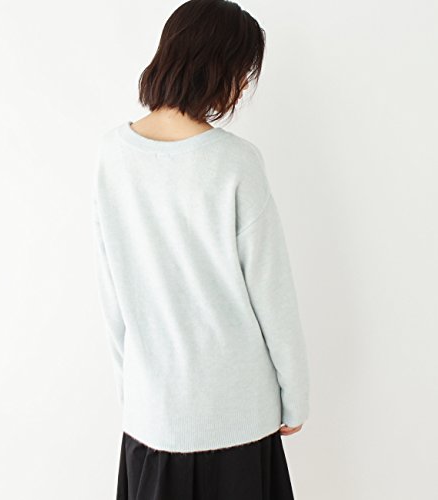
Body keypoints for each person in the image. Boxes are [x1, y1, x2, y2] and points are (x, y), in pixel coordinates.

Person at [92, 1, 310, 498]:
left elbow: (113, 298)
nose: (242, 89)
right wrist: (295, 396)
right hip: (238, 417)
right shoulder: (236, 162)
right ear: (218, 68)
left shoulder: (112, 155)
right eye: (242, 73)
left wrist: (137, 397)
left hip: (152, 416)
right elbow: (272, 294)